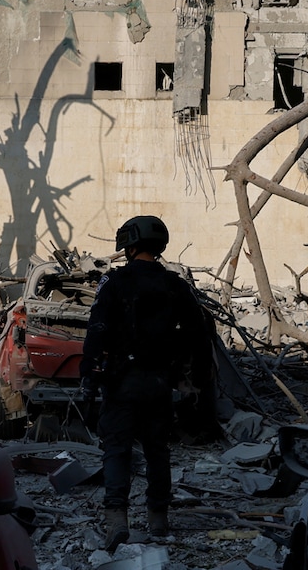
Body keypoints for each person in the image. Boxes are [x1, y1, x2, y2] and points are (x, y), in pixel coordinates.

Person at [79, 215, 211, 551]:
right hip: (158, 383)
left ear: (129, 245)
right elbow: (198, 335)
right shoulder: (175, 285)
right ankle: (158, 521)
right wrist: (193, 382)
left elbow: (96, 331)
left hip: (121, 383)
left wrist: (88, 379)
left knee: (117, 450)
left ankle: (116, 521)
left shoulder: (113, 282)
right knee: (158, 451)